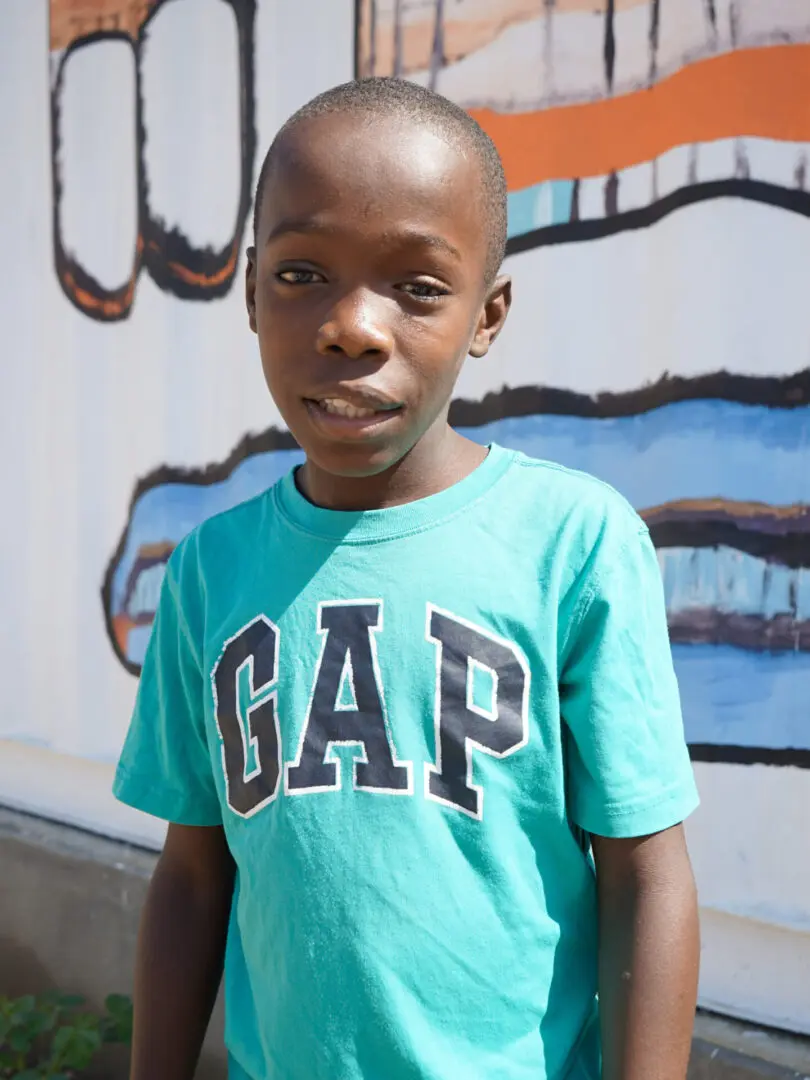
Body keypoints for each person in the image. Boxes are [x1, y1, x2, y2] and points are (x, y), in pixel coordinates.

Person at [113, 77, 700, 1080]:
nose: (353, 327)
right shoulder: (212, 570)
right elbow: (192, 874)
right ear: (251, 292)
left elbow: (645, 875)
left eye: (418, 287)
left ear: (487, 312)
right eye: (302, 274)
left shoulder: (572, 543)